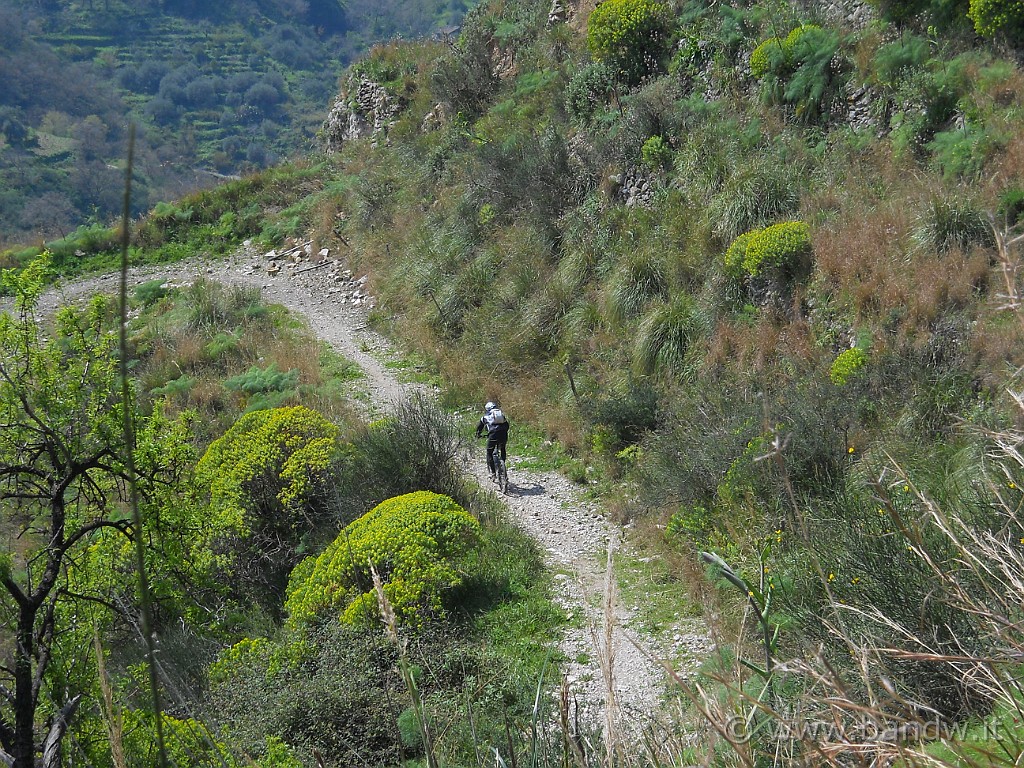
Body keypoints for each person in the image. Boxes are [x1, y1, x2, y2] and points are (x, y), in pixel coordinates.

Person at [476, 401, 509, 479]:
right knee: (502, 447)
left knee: (489, 452)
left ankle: (493, 473)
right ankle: (502, 465)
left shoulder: (485, 417)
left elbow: (479, 428)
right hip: (503, 434)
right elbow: (507, 425)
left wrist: (478, 435)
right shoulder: (501, 415)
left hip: (493, 434)